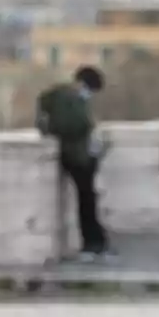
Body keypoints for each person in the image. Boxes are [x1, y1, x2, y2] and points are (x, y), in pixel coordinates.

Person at [36, 65, 114, 262]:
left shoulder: (68, 97)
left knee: (88, 200)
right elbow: (68, 125)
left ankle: (97, 243)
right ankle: (93, 244)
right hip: (75, 157)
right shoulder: (66, 97)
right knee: (86, 201)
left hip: (81, 155)